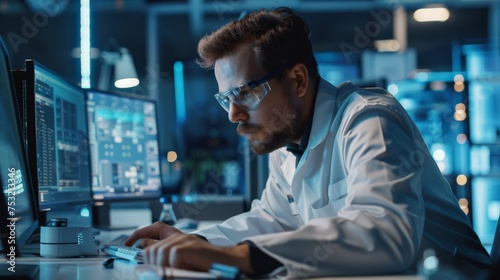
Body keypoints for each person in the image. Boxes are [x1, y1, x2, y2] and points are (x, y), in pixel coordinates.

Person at [125, 7, 493, 278]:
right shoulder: (288, 144)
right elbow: (272, 221)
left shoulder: (369, 119)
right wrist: (197, 242)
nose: (233, 115)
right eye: (226, 99)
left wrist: (243, 257)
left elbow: (385, 234)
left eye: (245, 94)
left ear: (298, 80)